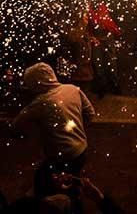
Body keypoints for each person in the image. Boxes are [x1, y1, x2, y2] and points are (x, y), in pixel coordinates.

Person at [12, 62, 95, 198]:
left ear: (36, 83)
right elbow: (90, 114)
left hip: (61, 156)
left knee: (44, 183)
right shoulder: (73, 89)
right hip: (82, 150)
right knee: (71, 181)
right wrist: (74, 129)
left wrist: (21, 134)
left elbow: (16, 125)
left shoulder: (41, 102)